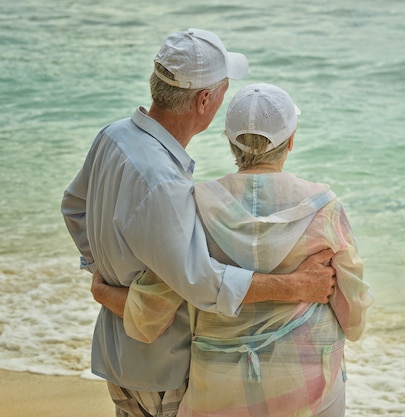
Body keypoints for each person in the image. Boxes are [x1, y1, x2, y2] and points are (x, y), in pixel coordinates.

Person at [61, 29, 336, 417]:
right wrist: (295, 285)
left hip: (119, 351)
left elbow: (74, 208)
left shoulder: (114, 136)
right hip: (162, 367)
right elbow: (203, 283)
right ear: (204, 99)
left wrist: (110, 276)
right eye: (223, 90)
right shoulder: (164, 182)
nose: (224, 99)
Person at [94, 83, 373, 417]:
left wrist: (101, 292)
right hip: (310, 385)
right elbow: (353, 317)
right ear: (291, 141)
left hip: (219, 386)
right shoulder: (324, 209)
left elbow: (151, 313)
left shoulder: (196, 206)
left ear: (230, 141)